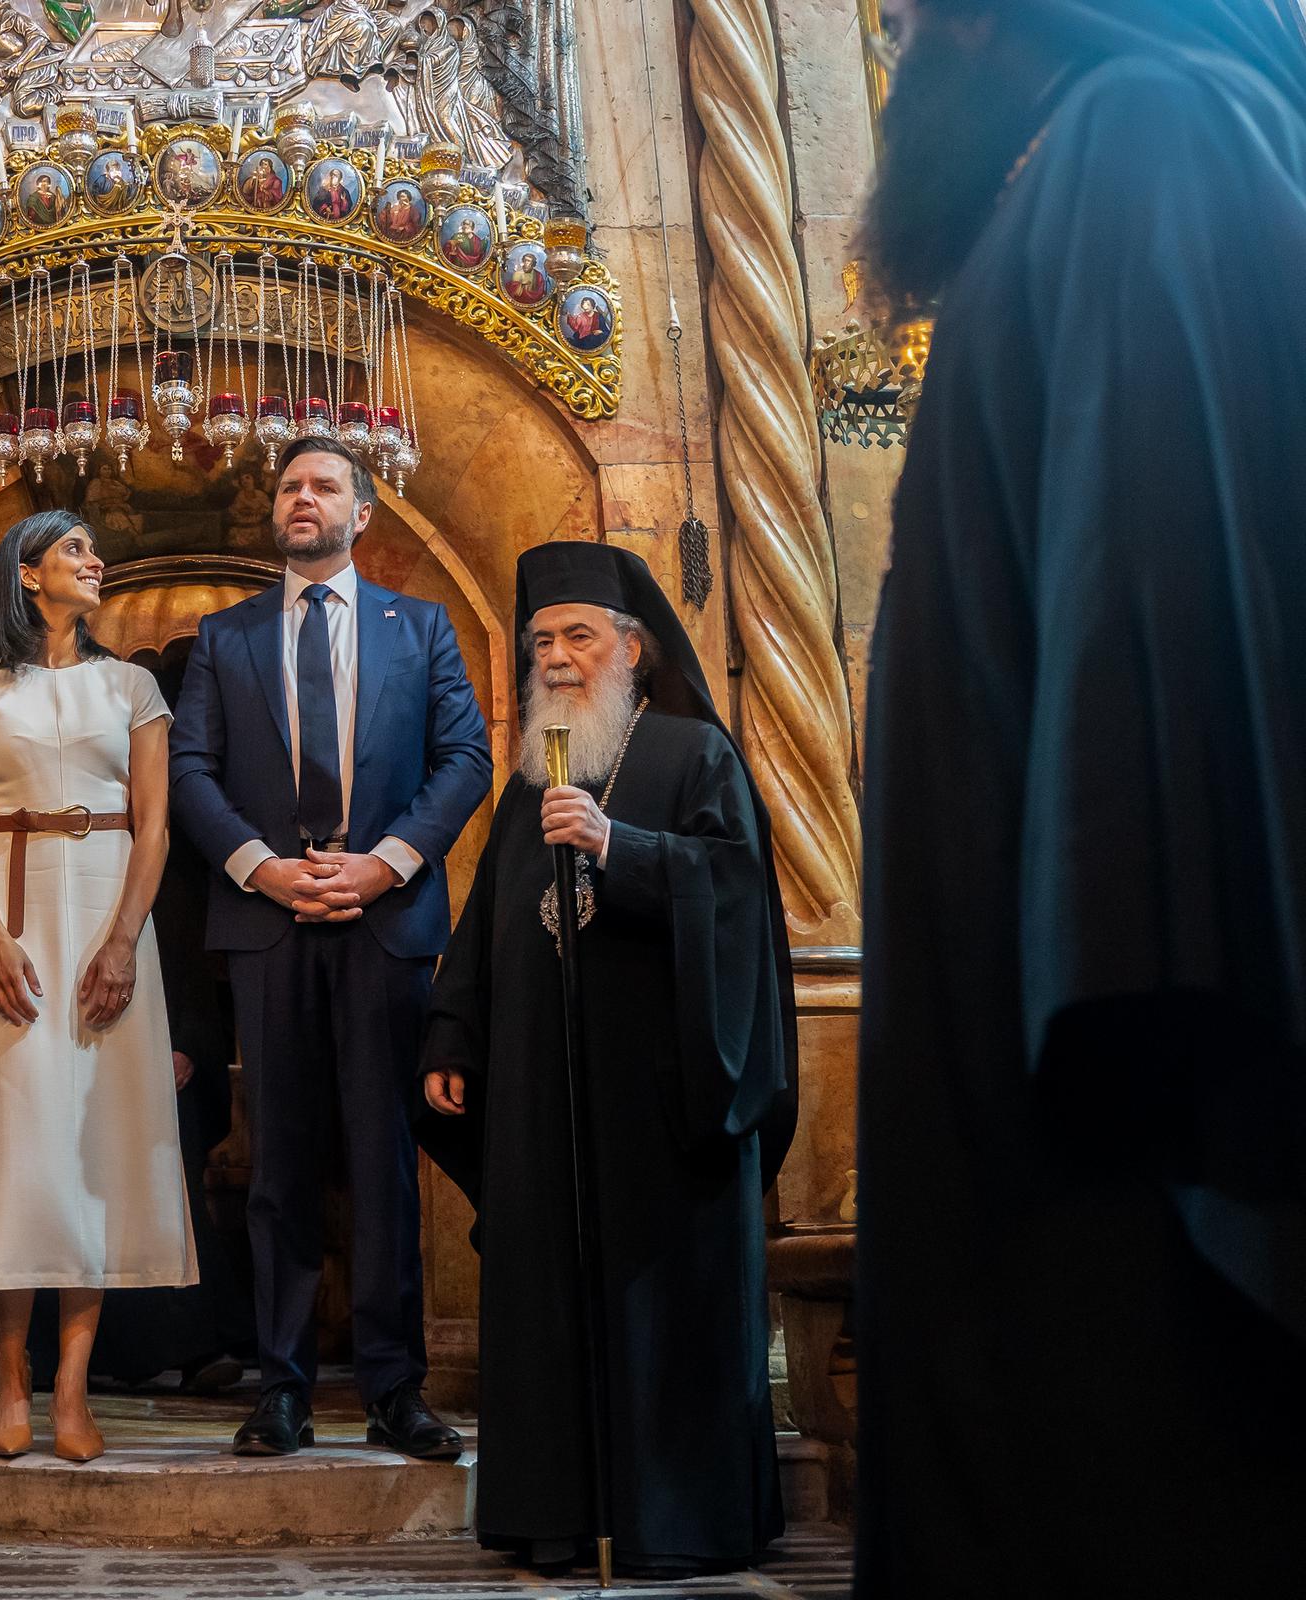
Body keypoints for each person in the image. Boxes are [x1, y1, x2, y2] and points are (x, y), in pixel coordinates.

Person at [852, 2, 1306, 1592]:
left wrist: (1141, 1055)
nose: (902, 47)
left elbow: (1172, 638)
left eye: (912, 20)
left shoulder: (1150, 140)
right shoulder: (1097, 168)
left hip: (1113, 1131)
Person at [420, 540, 794, 1578]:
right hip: (545, 1094)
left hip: (660, 1095)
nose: (557, 658)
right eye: (541, 641)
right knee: (549, 1288)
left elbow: (734, 899)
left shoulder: (691, 755)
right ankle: (553, 1513)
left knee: (657, 1302)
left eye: (578, 636)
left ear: (631, 646)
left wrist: (619, 848)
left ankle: (673, 1519)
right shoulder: (531, 778)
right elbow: (490, 916)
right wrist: (452, 1031)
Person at [169, 438, 491, 1461]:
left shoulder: (422, 627)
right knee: (280, 1163)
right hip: (268, 927)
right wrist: (263, 867)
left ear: (364, 516)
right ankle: (283, 1385)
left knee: (387, 1160)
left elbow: (467, 758)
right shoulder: (225, 638)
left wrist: (384, 863)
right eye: (289, 486)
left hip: (385, 926)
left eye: (324, 486)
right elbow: (189, 771)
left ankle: (398, 1387)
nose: (301, 499)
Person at [0, 510, 196, 1464]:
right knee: (22, 1146)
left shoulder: (133, 686)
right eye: (75, 550)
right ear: (27, 573)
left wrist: (124, 938)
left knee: (96, 1149)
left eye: (94, 549)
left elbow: (157, 827)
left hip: (109, 912)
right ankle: (13, 1378)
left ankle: (75, 1391)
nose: (96, 563)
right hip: (11, 913)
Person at [27, 639, 252, 1396]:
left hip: (165, 1007)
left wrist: (189, 1037)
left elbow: (186, 925)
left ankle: (188, 1340)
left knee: (159, 1159)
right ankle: (76, 1353)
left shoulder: (177, 806)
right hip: (61, 980)